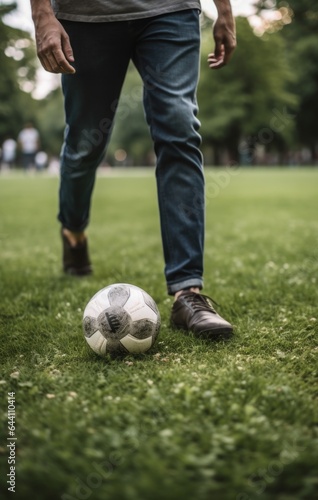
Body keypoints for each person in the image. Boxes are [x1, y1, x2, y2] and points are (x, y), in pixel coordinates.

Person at [29, 0, 236, 339]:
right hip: (85, 15)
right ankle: (74, 230)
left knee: (180, 130)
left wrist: (225, 10)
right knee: (85, 144)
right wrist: (42, 14)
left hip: (170, 10)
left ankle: (188, 292)